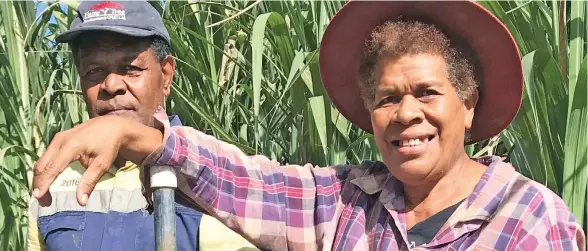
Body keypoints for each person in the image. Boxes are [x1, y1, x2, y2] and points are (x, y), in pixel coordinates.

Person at [31, 1, 586, 250]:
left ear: (468, 103)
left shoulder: (530, 221)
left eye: (427, 93)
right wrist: (143, 136)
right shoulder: (348, 204)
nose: (407, 114)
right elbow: (247, 182)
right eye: (387, 98)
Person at [26, 1, 259, 250]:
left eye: (131, 69)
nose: (111, 84)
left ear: (166, 75)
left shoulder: (212, 176)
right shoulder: (55, 178)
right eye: (94, 70)